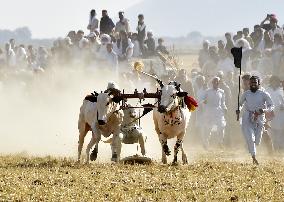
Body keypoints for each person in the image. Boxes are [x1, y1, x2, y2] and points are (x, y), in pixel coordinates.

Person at [236, 76, 274, 165]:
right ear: (249, 84)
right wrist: (238, 109)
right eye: (251, 83)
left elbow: (271, 105)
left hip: (260, 118)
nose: (253, 84)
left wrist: (264, 110)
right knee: (250, 137)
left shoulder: (263, 94)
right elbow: (240, 104)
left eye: (255, 83)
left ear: (258, 84)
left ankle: (255, 149)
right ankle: (253, 157)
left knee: (257, 141)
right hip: (248, 117)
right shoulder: (246, 94)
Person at [201, 77, 227, 149]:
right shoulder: (207, 91)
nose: (216, 83)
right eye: (214, 82)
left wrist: (225, 108)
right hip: (209, 111)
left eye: (217, 82)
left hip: (219, 111)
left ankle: (220, 142)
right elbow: (202, 100)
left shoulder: (222, 91)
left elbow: (223, 102)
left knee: (221, 126)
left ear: (219, 83)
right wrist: (204, 102)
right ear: (212, 83)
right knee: (208, 128)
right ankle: (205, 143)